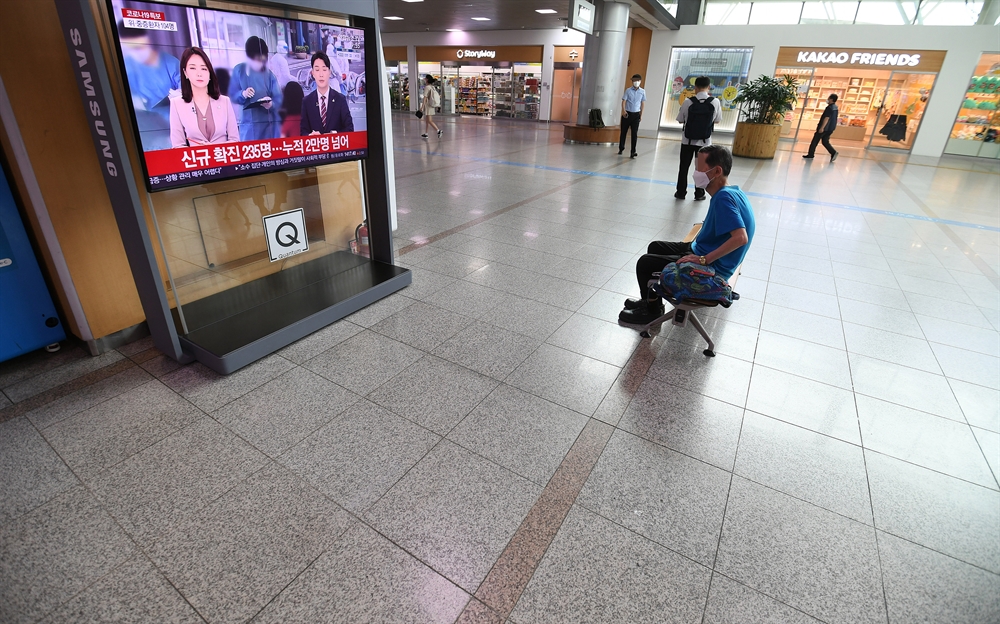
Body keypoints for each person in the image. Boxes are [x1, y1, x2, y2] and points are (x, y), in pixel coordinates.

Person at [620, 145, 755, 325]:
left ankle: (652, 311)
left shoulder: (723, 198)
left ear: (717, 171)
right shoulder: (732, 192)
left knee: (645, 263)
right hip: (700, 249)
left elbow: (741, 237)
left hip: (711, 267)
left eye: (700, 168)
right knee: (655, 247)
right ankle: (650, 301)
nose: (695, 172)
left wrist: (703, 260)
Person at [169, 47, 239, 148]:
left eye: (204, 68)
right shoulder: (176, 104)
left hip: (224, 160)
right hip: (197, 161)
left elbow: (235, 140)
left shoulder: (224, 101)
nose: (199, 73)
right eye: (193, 68)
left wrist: (214, 149)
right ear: (185, 73)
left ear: (209, 73)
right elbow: (177, 145)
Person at [117, 21, 181, 122]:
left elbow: (188, 90)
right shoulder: (126, 67)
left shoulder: (171, 63)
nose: (137, 52)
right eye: (132, 48)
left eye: (140, 47)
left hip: (179, 121)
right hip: (148, 128)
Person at [675, 76, 722, 201]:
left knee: (683, 167)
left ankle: (680, 193)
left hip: (687, 141)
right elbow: (717, 120)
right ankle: (699, 193)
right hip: (705, 143)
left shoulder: (688, 102)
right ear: (709, 87)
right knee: (701, 168)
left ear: (695, 88)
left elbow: (680, 119)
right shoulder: (715, 102)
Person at [229, 36, 283, 141]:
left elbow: (278, 98)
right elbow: (232, 95)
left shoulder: (269, 75)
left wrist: (271, 104)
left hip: (268, 126)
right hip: (249, 127)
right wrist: (243, 94)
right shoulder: (239, 70)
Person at [300, 52, 354, 135]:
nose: (321, 74)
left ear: (329, 72)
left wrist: (335, 134)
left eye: (324, 70)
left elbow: (350, 129)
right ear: (313, 73)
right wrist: (309, 136)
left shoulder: (340, 99)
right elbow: (303, 132)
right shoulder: (307, 101)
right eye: (317, 70)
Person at [804, 93, 839, 161]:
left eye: (828, 98)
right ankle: (833, 152)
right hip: (830, 128)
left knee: (815, 141)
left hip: (825, 128)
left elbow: (826, 118)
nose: (827, 99)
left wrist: (822, 127)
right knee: (825, 141)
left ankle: (811, 154)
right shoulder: (835, 108)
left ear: (831, 99)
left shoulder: (829, 108)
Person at [619, 73, 646, 158]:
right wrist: (623, 111)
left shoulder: (642, 91)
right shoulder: (628, 90)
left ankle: (633, 151)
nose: (635, 82)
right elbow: (624, 101)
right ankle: (621, 148)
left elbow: (642, 103)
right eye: (634, 81)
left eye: (637, 81)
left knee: (634, 134)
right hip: (627, 114)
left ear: (640, 81)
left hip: (636, 115)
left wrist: (641, 115)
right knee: (624, 132)